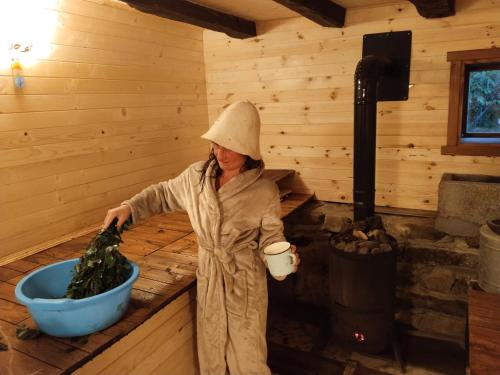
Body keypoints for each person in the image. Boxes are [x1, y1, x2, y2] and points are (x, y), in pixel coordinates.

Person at [103, 101, 300, 375]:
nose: (221, 153)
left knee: (248, 358)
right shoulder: (196, 176)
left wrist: (284, 260)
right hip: (209, 274)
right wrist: (130, 207)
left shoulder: (264, 191)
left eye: (230, 146)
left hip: (243, 281)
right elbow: (162, 194)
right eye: (217, 144)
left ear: (248, 148)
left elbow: (271, 240)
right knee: (211, 352)